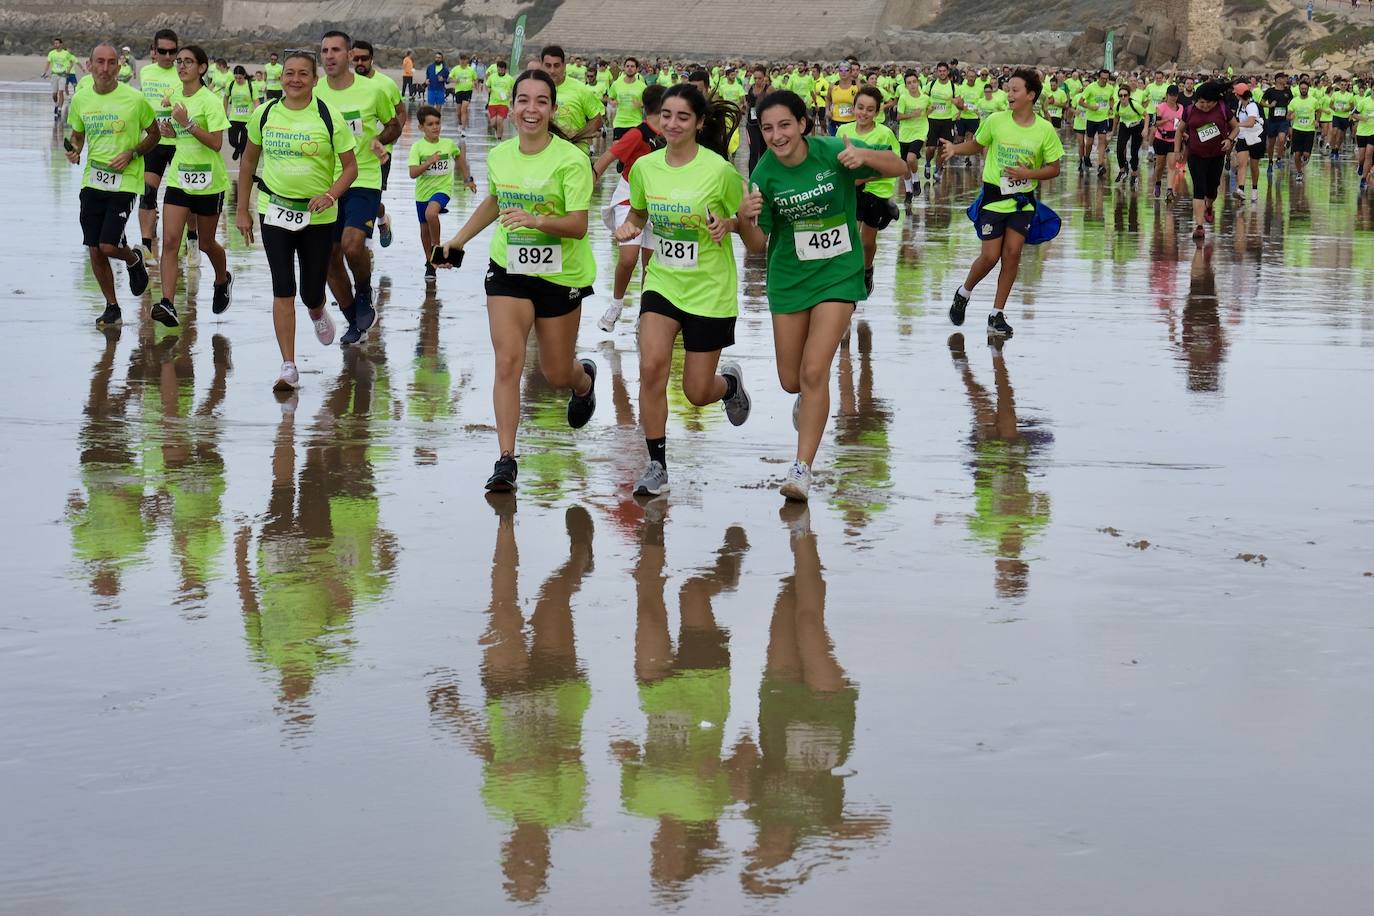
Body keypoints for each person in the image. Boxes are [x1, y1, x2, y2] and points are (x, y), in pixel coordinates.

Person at [738, 90, 905, 502]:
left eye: (785, 125)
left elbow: (900, 166)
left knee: (815, 371)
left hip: (838, 274)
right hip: (789, 278)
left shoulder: (833, 150)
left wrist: (863, 158)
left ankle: (801, 468)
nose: (777, 135)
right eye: (767, 128)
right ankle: (803, 398)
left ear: (803, 124)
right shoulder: (764, 174)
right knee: (791, 379)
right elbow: (758, 244)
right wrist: (744, 218)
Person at [438, 69, 599, 493]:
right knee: (508, 361)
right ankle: (506, 460)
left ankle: (583, 381)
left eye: (541, 101)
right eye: (523, 100)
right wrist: (457, 240)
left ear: (553, 109)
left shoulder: (571, 160)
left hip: (561, 274)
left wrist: (537, 221)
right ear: (511, 108)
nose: (531, 109)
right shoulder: (500, 155)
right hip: (508, 268)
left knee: (556, 372)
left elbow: (579, 225)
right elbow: (495, 200)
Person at [614, 84, 751, 497]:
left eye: (683, 117)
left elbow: (750, 229)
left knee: (696, 391)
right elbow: (640, 212)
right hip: (663, 281)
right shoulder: (645, 168)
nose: (672, 124)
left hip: (710, 289)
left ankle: (729, 386)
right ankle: (657, 465)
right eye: (667, 115)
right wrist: (630, 227)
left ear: (700, 123)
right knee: (651, 368)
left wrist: (730, 224)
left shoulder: (719, 171)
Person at [235, 50, 359, 390]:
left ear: (315, 80)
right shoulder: (264, 114)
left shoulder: (328, 116)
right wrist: (242, 209)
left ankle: (317, 310)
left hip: (318, 216)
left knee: (310, 290)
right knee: (283, 287)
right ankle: (288, 366)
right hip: (273, 209)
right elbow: (248, 163)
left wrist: (330, 195)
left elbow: (350, 168)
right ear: (281, 77)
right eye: (289, 73)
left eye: (303, 73)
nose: (295, 79)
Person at [942, 68, 1063, 339]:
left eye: (1015, 90)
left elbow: (1054, 168)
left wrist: (1029, 173)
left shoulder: (1045, 129)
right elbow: (977, 145)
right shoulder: (996, 120)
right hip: (993, 199)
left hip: (1022, 203)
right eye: (1008, 90)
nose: (1009, 94)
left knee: (1012, 254)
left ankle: (997, 315)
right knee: (990, 256)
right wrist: (955, 149)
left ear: (1031, 95)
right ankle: (963, 293)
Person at [315, 30, 400, 345]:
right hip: (326, 181)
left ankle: (364, 291)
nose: (330, 56)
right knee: (328, 257)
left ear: (349, 55)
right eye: (325, 51)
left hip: (363, 176)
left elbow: (394, 124)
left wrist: (380, 139)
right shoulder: (315, 92)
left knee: (352, 245)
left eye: (336, 50)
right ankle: (354, 320)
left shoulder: (372, 90)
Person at [65, 41, 158, 329]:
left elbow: (154, 134)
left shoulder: (135, 99)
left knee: (107, 245)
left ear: (119, 66)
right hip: (92, 181)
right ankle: (112, 307)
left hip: (125, 182)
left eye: (111, 62)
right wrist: (75, 150)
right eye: (100, 62)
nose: (105, 68)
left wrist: (133, 152)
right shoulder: (81, 99)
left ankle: (133, 260)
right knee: (94, 248)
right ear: (89, 65)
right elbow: (78, 134)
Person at [150, 43, 232, 328]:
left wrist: (186, 124)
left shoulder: (210, 101)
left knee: (207, 243)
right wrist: (171, 132)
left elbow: (216, 143)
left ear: (202, 68)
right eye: (179, 61)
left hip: (209, 182)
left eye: (188, 61)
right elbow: (180, 137)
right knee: (171, 242)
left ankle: (222, 280)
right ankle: (168, 303)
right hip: (179, 179)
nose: (181, 65)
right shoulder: (173, 95)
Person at [592, 83, 666, 332]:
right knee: (628, 257)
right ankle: (616, 305)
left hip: (658, 201)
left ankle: (644, 313)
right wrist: (590, 180)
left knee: (650, 264)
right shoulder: (637, 133)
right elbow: (608, 157)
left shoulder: (673, 134)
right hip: (629, 198)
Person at [835, 86, 904, 294]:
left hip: (876, 191)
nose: (863, 113)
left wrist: (865, 178)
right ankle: (845, 277)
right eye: (860, 107)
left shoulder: (885, 134)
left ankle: (867, 269)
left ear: (877, 112)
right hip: (850, 191)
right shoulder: (843, 131)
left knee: (867, 242)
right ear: (854, 107)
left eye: (869, 109)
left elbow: (894, 166)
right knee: (849, 237)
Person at [408, 105, 475, 278]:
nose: (435, 127)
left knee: (431, 214)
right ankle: (429, 261)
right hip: (422, 193)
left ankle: (436, 249)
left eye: (437, 123)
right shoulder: (417, 147)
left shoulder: (448, 144)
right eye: (430, 124)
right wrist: (428, 162)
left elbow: (460, 159)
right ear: (421, 127)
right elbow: (413, 173)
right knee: (424, 229)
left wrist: (467, 179)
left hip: (443, 190)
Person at [351, 40, 403, 248]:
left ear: (372, 59)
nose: (360, 62)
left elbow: (400, 112)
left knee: (371, 199)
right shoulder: (345, 85)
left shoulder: (386, 84)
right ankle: (382, 219)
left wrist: (388, 138)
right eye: (356, 59)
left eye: (364, 58)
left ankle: (366, 247)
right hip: (349, 154)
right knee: (361, 202)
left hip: (379, 154)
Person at [137, 29, 181, 265]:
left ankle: (192, 240)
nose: (168, 56)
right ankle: (146, 247)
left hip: (180, 142)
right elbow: (142, 105)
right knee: (147, 193)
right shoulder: (145, 72)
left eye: (172, 52)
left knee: (185, 195)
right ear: (154, 51)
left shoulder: (183, 73)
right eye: (162, 51)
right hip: (154, 141)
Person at [1176, 81, 1237, 241]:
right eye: (1201, 102)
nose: (1204, 106)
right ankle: (1199, 226)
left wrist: (1229, 139)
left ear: (1215, 100)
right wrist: (1177, 151)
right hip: (1195, 155)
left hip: (1216, 155)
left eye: (1208, 103)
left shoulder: (1222, 108)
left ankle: (1208, 206)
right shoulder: (1190, 110)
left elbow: (1236, 127)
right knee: (1199, 188)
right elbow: (1179, 131)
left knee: (1212, 190)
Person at [541, 45, 605, 148]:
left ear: (564, 66)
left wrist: (576, 137)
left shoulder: (580, 89)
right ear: (542, 65)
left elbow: (597, 120)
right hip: (546, 151)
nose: (552, 70)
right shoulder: (536, 89)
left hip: (576, 151)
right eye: (548, 66)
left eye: (556, 66)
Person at [896, 69, 929, 201]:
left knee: (911, 158)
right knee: (904, 167)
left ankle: (916, 180)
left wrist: (931, 110)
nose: (912, 85)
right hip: (905, 133)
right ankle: (908, 191)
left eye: (914, 82)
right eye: (909, 83)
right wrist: (912, 115)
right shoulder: (903, 98)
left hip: (920, 131)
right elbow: (898, 116)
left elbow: (929, 110)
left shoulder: (925, 98)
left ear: (918, 82)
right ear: (906, 86)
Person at [1149, 84, 1184, 199]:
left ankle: (1169, 190)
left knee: (1172, 165)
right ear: (1167, 95)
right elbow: (1155, 123)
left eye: (1175, 95)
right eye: (1171, 95)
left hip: (1174, 140)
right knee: (1160, 166)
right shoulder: (1161, 107)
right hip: (1161, 139)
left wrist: (1184, 134)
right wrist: (1166, 120)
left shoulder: (1181, 108)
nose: (1173, 97)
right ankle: (1158, 183)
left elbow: (1181, 125)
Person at [1231, 82, 1263, 203]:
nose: (1234, 95)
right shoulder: (1240, 104)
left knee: (1254, 166)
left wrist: (1237, 124)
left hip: (1255, 137)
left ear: (1239, 95)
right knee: (1241, 164)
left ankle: (1254, 189)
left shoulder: (1252, 106)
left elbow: (1250, 123)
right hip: (1243, 136)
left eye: (1236, 93)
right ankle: (1241, 189)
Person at [1082, 69, 1116, 178]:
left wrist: (1111, 108)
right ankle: (1086, 157)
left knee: (1102, 139)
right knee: (1089, 142)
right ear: (1098, 77)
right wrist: (1090, 107)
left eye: (1106, 79)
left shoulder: (1110, 88)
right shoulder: (1090, 87)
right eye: (1102, 78)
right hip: (1091, 119)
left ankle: (1100, 164)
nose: (1104, 80)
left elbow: (1111, 99)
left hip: (1103, 118)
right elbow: (1080, 102)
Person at [1288, 77, 1318, 182]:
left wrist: (1317, 120)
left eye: (1305, 89)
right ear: (1299, 89)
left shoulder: (1313, 100)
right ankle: (1299, 172)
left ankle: (1304, 159)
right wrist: (1290, 117)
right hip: (1297, 129)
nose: (1304, 90)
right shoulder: (1294, 101)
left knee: (1306, 154)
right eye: (1302, 89)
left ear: (1308, 89)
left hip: (1309, 130)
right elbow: (1288, 115)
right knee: (1297, 154)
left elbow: (1318, 110)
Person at [1114, 82, 1145, 182]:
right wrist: (1113, 131)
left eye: (1125, 95)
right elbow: (1116, 117)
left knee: (1133, 151)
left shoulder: (1135, 105)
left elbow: (1146, 115)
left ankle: (1134, 172)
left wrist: (1145, 129)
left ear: (1129, 96)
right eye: (1120, 95)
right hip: (1125, 125)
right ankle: (1122, 170)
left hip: (1137, 126)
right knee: (1119, 148)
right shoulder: (1117, 105)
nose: (1123, 97)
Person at [1261, 72, 1292, 173]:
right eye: (1284, 78)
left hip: (1283, 120)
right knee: (1271, 143)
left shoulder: (1287, 91)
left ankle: (1279, 159)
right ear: (1278, 79)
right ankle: (1270, 161)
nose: (1285, 80)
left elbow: (1292, 103)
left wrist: (1291, 113)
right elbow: (1261, 102)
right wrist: (1269, 106)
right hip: (1272, 120)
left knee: (1282, 139)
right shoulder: (1270, 91)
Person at [225, 66, 256, 161]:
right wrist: (224, 112)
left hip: (247, 119)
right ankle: (237, 148)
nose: (238, 80)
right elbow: (226, 98)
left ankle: (242, 165)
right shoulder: (230, 85)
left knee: (244, 144)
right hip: (234, 117)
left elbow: (256, 101)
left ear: (244, 75)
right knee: (232, 140)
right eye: (236, 78)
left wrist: (257, 115)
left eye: (240, 78)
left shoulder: (251, 86)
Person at [43, 37, 79, 118]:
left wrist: (68, 71)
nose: (55, 44)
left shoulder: (66, 53)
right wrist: (45, 72)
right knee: (54, 94)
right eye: (54, 43)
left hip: (63, 75)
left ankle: (59, 109)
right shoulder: (51, 53)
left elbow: (71, 61)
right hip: (54, 75)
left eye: (57, 43)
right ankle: (56, 104)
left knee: (61, 92)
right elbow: (48, 63)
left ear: (61, 44)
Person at [826, 63, 858, 136]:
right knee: (835, 141)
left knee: (850, 141)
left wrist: (857, 110)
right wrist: (827, 110)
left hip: (852, 121)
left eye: (846, 70)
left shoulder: (856, 86)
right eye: (841, 70)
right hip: (835, 121)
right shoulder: (833, 86)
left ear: (850, 72)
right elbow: (828, 98)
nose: (843, 73)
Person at [486, 58, 514, 139]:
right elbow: (487, 85)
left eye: (502, 70)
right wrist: (488, 89)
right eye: (499, 69)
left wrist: (511, 96)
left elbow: (515, 88)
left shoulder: (509, 78)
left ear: (505, 69)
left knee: (499, 121)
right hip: (493, 103)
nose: (500, 71)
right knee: (493, 123)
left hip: (503, 103)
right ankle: (498, 130)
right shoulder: (492, 77)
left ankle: (499, 138)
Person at [450, 54, 477, 130]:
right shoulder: (455, 69)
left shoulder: (471, 70)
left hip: (468, 91)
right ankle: (460, 122)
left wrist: (474, 83)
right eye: (461, 60)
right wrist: (454, 80)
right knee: (458, 112)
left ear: (467, 61)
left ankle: (463, 128)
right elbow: (449, 79)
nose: (462, 61)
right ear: (459, 60)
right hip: (458, 91)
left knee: (464, 109)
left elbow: (475, 79)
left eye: (464, 60)